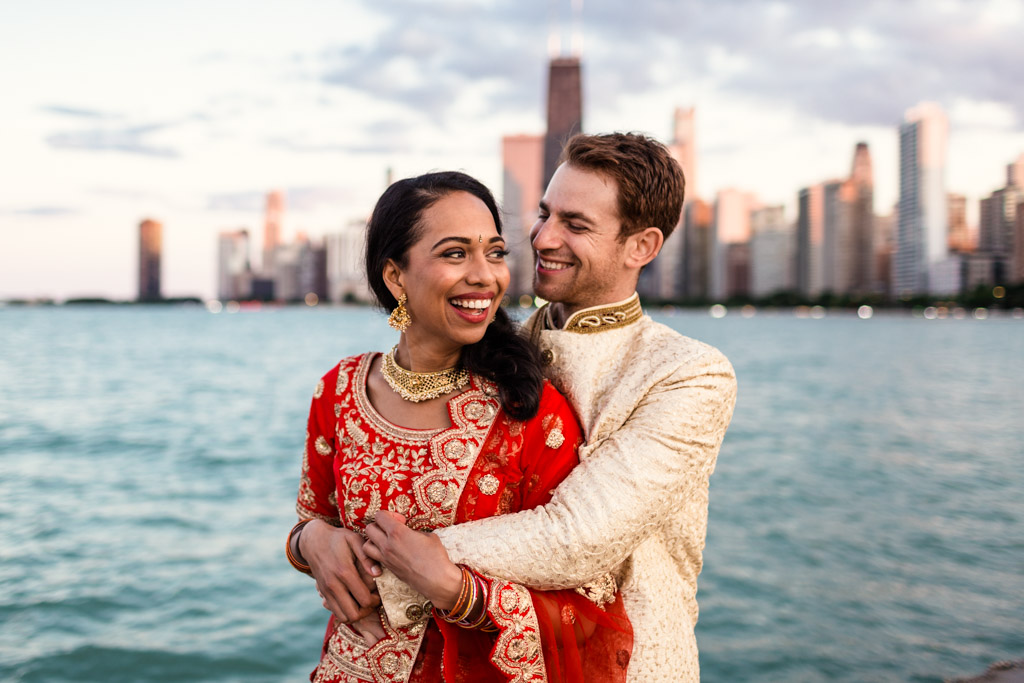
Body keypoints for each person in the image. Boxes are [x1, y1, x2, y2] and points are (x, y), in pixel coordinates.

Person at [364, 133, 738, 682]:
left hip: (631, 667)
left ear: (642, 246)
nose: (543, 237)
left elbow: (578, 536)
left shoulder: (688, 374)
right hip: (493, 658)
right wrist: (311, 539)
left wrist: (382, 561)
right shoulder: (487, 346)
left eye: (576, 224)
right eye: (544, 214)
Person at [285, 171, 632, 683]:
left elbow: (589, 605)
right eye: (454, 253)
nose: (485, 276)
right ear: (395, 276)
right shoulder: (338, 390)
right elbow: (311, 519)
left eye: (494, 252)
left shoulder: (530, 412)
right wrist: (309, 541)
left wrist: (454, 590)